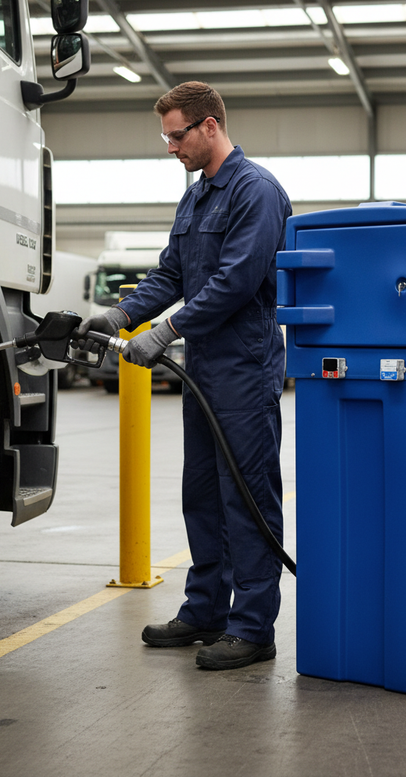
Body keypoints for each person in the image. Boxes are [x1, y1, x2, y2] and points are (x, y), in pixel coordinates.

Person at [78, 81, 291, 671]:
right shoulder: (195, 198)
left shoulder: (256, 191)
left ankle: (253, 628)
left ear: (210, 126)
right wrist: (120, 315)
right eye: (166, 137)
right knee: (202, 494)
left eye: (177, 136)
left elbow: (235, 282)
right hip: (204, 370)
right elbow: (171, 273)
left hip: (244, 368)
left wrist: (166, 331)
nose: (171, 147)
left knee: (247, 496)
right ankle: (206, 611)